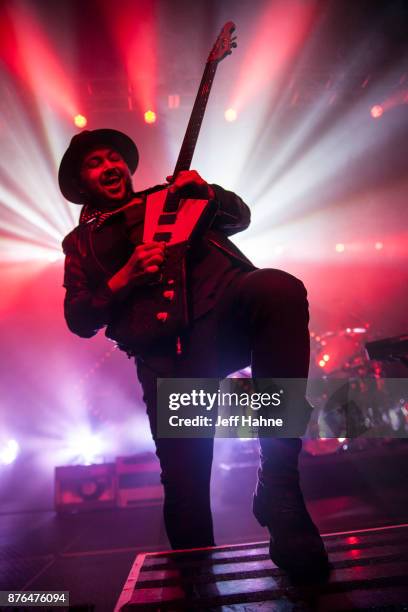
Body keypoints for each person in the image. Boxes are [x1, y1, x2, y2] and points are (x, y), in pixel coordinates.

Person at [59, 128, 329, 580]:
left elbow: (239, 217)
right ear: (82, 182)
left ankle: (280, 487)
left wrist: (208, 193)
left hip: (224, 322)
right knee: (186, 487)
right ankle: (197, 582)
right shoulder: (80, 243)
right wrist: (123, 277)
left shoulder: (170, 197)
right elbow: (78, 318)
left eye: (114, 158)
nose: (110, 167)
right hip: (171, 360)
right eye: (95, 163)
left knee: (277, 287)